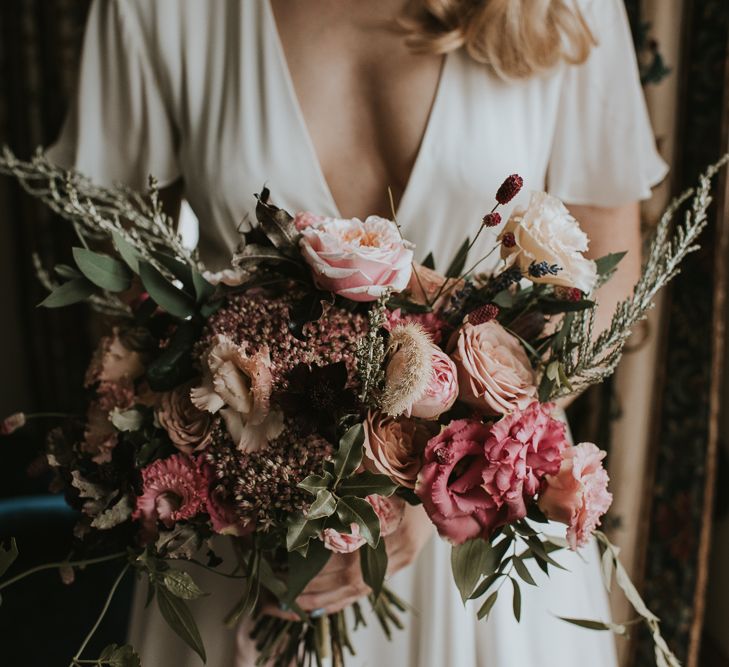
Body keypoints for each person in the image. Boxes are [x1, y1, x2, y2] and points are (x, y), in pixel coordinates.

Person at [48, 1, 667, 665]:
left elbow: (607, 255)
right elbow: (125, 278)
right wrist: (242, 473)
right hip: (247, 524)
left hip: (476, 523)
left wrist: (472, 464)